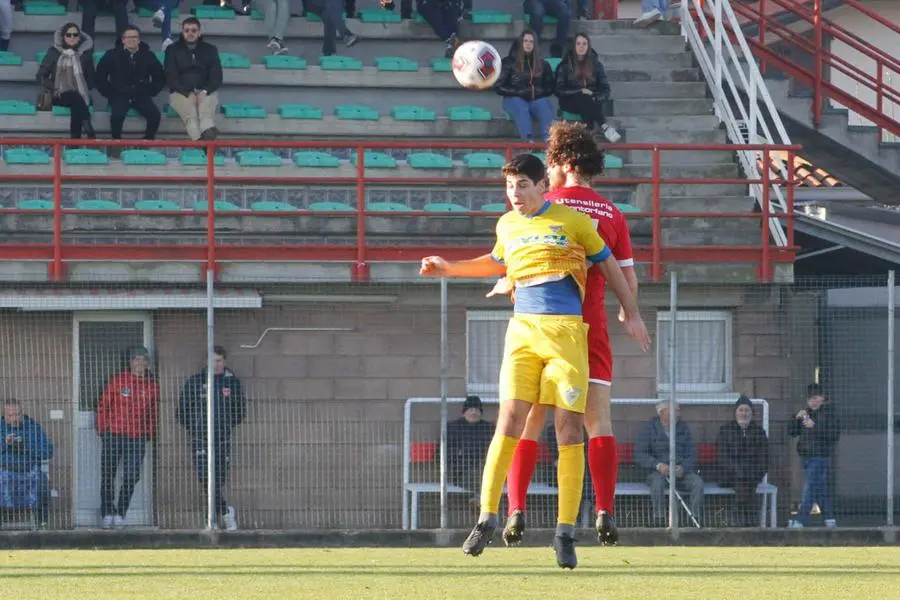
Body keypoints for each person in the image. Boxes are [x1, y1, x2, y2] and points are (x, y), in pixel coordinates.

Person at [420, 153, 649, 569]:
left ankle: (564, 532)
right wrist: (448, 268)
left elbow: (610, 265)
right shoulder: (507, 224)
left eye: (523, 185)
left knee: (568, 428)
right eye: (510, 187)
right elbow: (495, 262)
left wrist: (630, 310)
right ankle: (487, 517)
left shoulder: (574, 221)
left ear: (544, 185)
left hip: (566, 334)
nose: (515, 194)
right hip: (522, 332)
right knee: (510, 420)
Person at [500, 121, 637, 547]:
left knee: (529, 421)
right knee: (597, 421)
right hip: (590, 327)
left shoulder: (546, 206)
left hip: (544, 325)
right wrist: (628, 311)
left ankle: (515, 508)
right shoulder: (612, 214)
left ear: (557, 163)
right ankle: (603, 510)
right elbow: (627, 278)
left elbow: (517, 265)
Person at [177, 345, 247, 531]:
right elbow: (182, 411)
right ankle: (224, 513)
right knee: (205, 478)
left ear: (224, 361)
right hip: (201, 439)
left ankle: (214, 519)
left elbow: (240, 411)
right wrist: (196, 426)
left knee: (218, 479)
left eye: (219, 360)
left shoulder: (232, 383)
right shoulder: (195, 382)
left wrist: (226, 424)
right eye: (213, 361)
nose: (216, 364)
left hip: (222, 439)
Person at [96, 346, 160, 528]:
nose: (140, 363)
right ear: (131, 362)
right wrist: (103, 430)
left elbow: (154, 412)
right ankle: (107, 512)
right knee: (108, 475)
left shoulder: (152, 385)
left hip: (137, 437)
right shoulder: (118, 381)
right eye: (136, 360)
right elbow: (103, 405)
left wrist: (150, 431)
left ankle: (120, 512)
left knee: (132, 475)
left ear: (147, 363)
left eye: (144, 360)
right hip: (114, 435)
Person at [95, 26, 166, 155]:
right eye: (129, 37)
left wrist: (149, 91)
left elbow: (159, 77)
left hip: (141, 94)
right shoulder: (112, 55)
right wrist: (110, 94)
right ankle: (116, 144)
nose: (132, 40)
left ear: (139, 40)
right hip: (119, 94)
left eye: (135, 37)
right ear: (123, 40)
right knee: (117, 116)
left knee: (155, 116)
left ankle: (147, 143)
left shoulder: (148, 55)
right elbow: (100, 77)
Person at [634, 401, 704, 527]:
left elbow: (693, 454)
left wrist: (683, 468)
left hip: (680, 472)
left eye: (678, 411)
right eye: (674, 411)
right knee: (657, 483)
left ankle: (694, 519)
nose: (678, 414)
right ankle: (659, 519)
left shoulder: (684, 429)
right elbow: (640, 454)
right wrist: (657, 465)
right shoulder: (650, 428)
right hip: (658, 472)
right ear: (662, 412)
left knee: (697, 483)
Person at [788, 383, 841, 528]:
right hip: (806, 457)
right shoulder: (806, 413)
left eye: (816, 398)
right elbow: (792, 432)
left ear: (823, 397)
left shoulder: (829, 414)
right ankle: (830, 519)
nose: (813, 401)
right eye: (810, 399)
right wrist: (796, 419)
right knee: (819, 489)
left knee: (809, 488)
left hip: (820, 457)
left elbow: (834, 435)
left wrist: (815, 427)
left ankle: (800, 520)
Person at [164, 17, 223, 141]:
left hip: (206, 90)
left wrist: (205, 91)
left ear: (199, 32)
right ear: (182, 32)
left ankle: (207, 139)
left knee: (205, 115)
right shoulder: (172, 50)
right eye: (187, 30)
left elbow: (217, 77)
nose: (190, 33)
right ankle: (206, 147)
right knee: (191, 116)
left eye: (193, 30)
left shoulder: (211, 50)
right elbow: (170, 77)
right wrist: (186, 93)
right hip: (179, 92)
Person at [555, 33, 621, 143]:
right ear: (574, 46)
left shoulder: (596, 65)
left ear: (588, 46)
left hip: (591, 101)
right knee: (584, 97)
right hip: (569, 100)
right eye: (578, 44)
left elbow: (605, 89)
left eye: (584, 44)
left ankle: (589, 131)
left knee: (587, 100)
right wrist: (580, 91)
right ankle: (603, 126)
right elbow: (559, 90)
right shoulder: (565, 65)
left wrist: (595, 97)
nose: (581, 47)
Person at [36, 23, 96, 139]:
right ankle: (88, 129)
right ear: (63, 37)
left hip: (80, 94)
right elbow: (40, 76)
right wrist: (57, 87)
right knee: (76, 99)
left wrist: (81, 85)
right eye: (69, 35)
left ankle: (75, 141)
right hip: (57, 94)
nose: (72, 37)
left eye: (75, 35)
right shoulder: (54, 52)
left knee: (76, 101)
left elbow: (91, 79)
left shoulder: (86, 55)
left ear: (79, 37)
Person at [715, 395, 768, 527]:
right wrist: (737, 470)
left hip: (752, 474)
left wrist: (755, 472)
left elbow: (764, 457)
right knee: (743, 482)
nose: (744, 413)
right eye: (741, 410)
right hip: (730, 475)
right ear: (735, 412)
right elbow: (722, 457)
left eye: (747, 410)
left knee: (746, 481)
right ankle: (748, 520)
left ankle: (740, 519)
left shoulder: (758, 432)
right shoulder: (726, 430)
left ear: (751, 413)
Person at [494, 30, 556, 143]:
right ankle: (529, 143)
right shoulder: (508, 62)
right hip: (513, 98)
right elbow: (498, 86)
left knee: (545, 107)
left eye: (531, 42)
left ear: (535, 44)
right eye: (525, 41)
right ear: (520, 43)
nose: (528, 44)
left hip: (535, 98)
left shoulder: (543, 64)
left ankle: (550, 143)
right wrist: (518, 92)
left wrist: (537, 91)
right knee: (522, 108)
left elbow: (550, 87)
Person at [0, 400, 54, 527]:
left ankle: (43, 524)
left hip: (30, 472)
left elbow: (48, 451)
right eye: (10, 415)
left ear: (22, 413)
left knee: (43, 487)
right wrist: (4, 443)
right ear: (4, 415)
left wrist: (26, 447)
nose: (14, 418)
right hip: (4, 473)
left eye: (17, 414)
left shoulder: (33, 427)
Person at [447, 395, 495, 507]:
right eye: (470, 409)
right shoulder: (453, 428)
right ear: (464, 412)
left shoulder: (488, 428)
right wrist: (459, 454)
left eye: (477, 410)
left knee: (486, 472)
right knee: (481, 475)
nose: (474, 412)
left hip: (484, 467)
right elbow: (441, 454)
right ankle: (481, 501)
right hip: (460, 471)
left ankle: (478, 500)